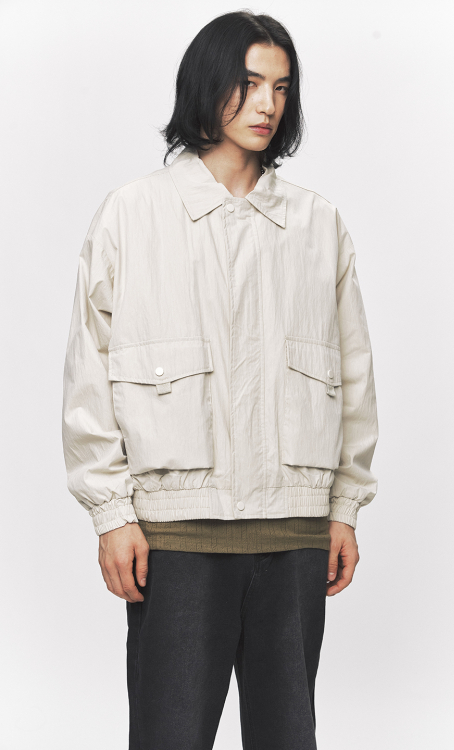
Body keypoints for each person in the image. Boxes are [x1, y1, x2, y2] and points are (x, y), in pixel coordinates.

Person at [61, 10, 378, 750]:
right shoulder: (132, 215)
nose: (268, 104)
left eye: (281, 88)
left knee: (287, 739)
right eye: (249, 83)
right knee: (169, 738)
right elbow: (88, 372)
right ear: (208, 86)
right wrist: (111, 513)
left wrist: (345, 508)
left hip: (295, 532)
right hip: (176, 537)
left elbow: (354, 375)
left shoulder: (318, 225)